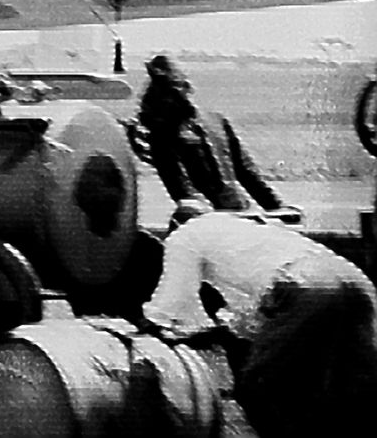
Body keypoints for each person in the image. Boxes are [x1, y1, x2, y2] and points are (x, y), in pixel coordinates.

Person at [140, 207, 377, 437]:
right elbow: (252, 312)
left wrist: (141, 329)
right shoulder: (249, 232)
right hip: (354, 281)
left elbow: (172, 299)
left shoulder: (184, 235)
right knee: (350, 382)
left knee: (261, 385)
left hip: (304, 286)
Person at [131, 55, 292, 223]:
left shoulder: (210, 123)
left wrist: (277, 209)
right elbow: (182, 187)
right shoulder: (166, 132)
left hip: (222, 214)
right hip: (218, 214)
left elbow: (246, 173)